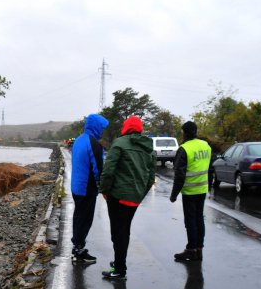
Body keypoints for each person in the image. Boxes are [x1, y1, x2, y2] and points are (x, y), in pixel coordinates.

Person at [99, 116, 156, 279]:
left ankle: (119, 270)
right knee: (124, 230)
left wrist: (104, 190)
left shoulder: (119, 143)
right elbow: (151, 177)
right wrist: (140, 194)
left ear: (126, 127)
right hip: (134, 197)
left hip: (117, 196)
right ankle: (119, 262)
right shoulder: (148, 148)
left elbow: (108, 170)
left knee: (118, 232)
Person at [169, 121, 213, 261]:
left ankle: (191, 250)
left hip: (190, 191)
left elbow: (179, 175)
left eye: (182, 132)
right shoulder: (205, 145)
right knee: (199, 218)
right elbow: (210, 168)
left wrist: (174, 195)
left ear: (185, 133)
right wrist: (209, 186)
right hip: (202, 189)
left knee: (190, 221)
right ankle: (199, 248)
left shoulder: (184, 149)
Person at [70, 113, 109, 263]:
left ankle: (76, 245)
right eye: (102, 127)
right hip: (87, 187)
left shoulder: (79, 140)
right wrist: (104, 188)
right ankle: (79, 250)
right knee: (85, 219)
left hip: (76, 186)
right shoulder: (94, 144)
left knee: (78, 216)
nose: (102, 130)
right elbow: (98, 169)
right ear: (96, 127)